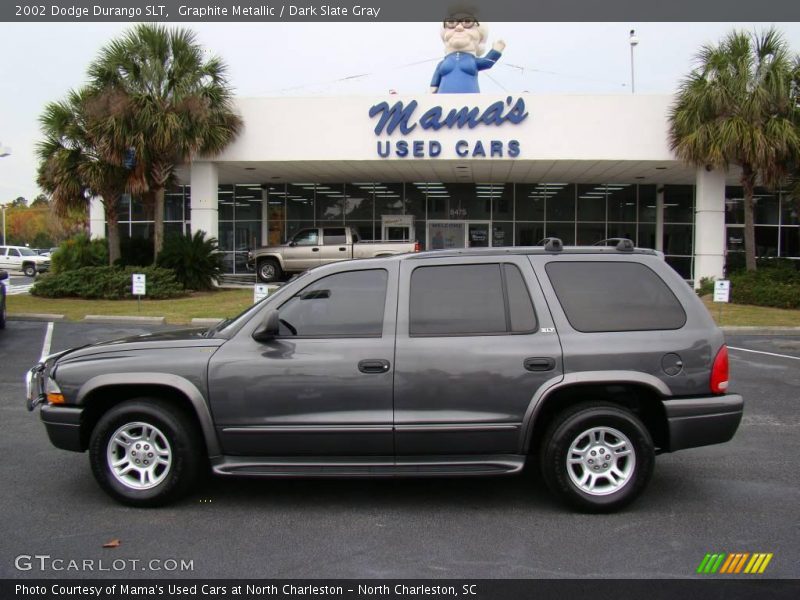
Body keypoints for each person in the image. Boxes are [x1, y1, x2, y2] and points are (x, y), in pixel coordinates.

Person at [430, 16, 506, 94]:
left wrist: (496, 51)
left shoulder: (474, 61)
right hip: (444, 100)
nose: (459, 27)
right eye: (451, 23)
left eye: (467, 22)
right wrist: (432, 89)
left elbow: (487, 63)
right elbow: (434, 83)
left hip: (470, 101)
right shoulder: (442, 63)